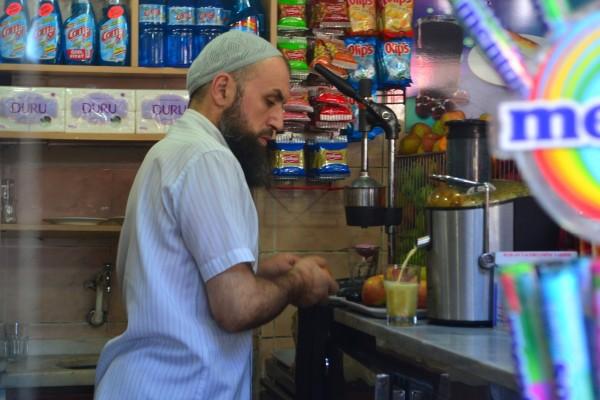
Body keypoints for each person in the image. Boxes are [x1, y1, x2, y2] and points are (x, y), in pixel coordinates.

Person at [94, 30, 339, 399]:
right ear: (223, 89)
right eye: (270, 101)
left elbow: (180, 282)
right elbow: (236, 308)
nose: (278, 121)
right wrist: (298, 283)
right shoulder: (208, 158)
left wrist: (256, 272)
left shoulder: (172, 151)